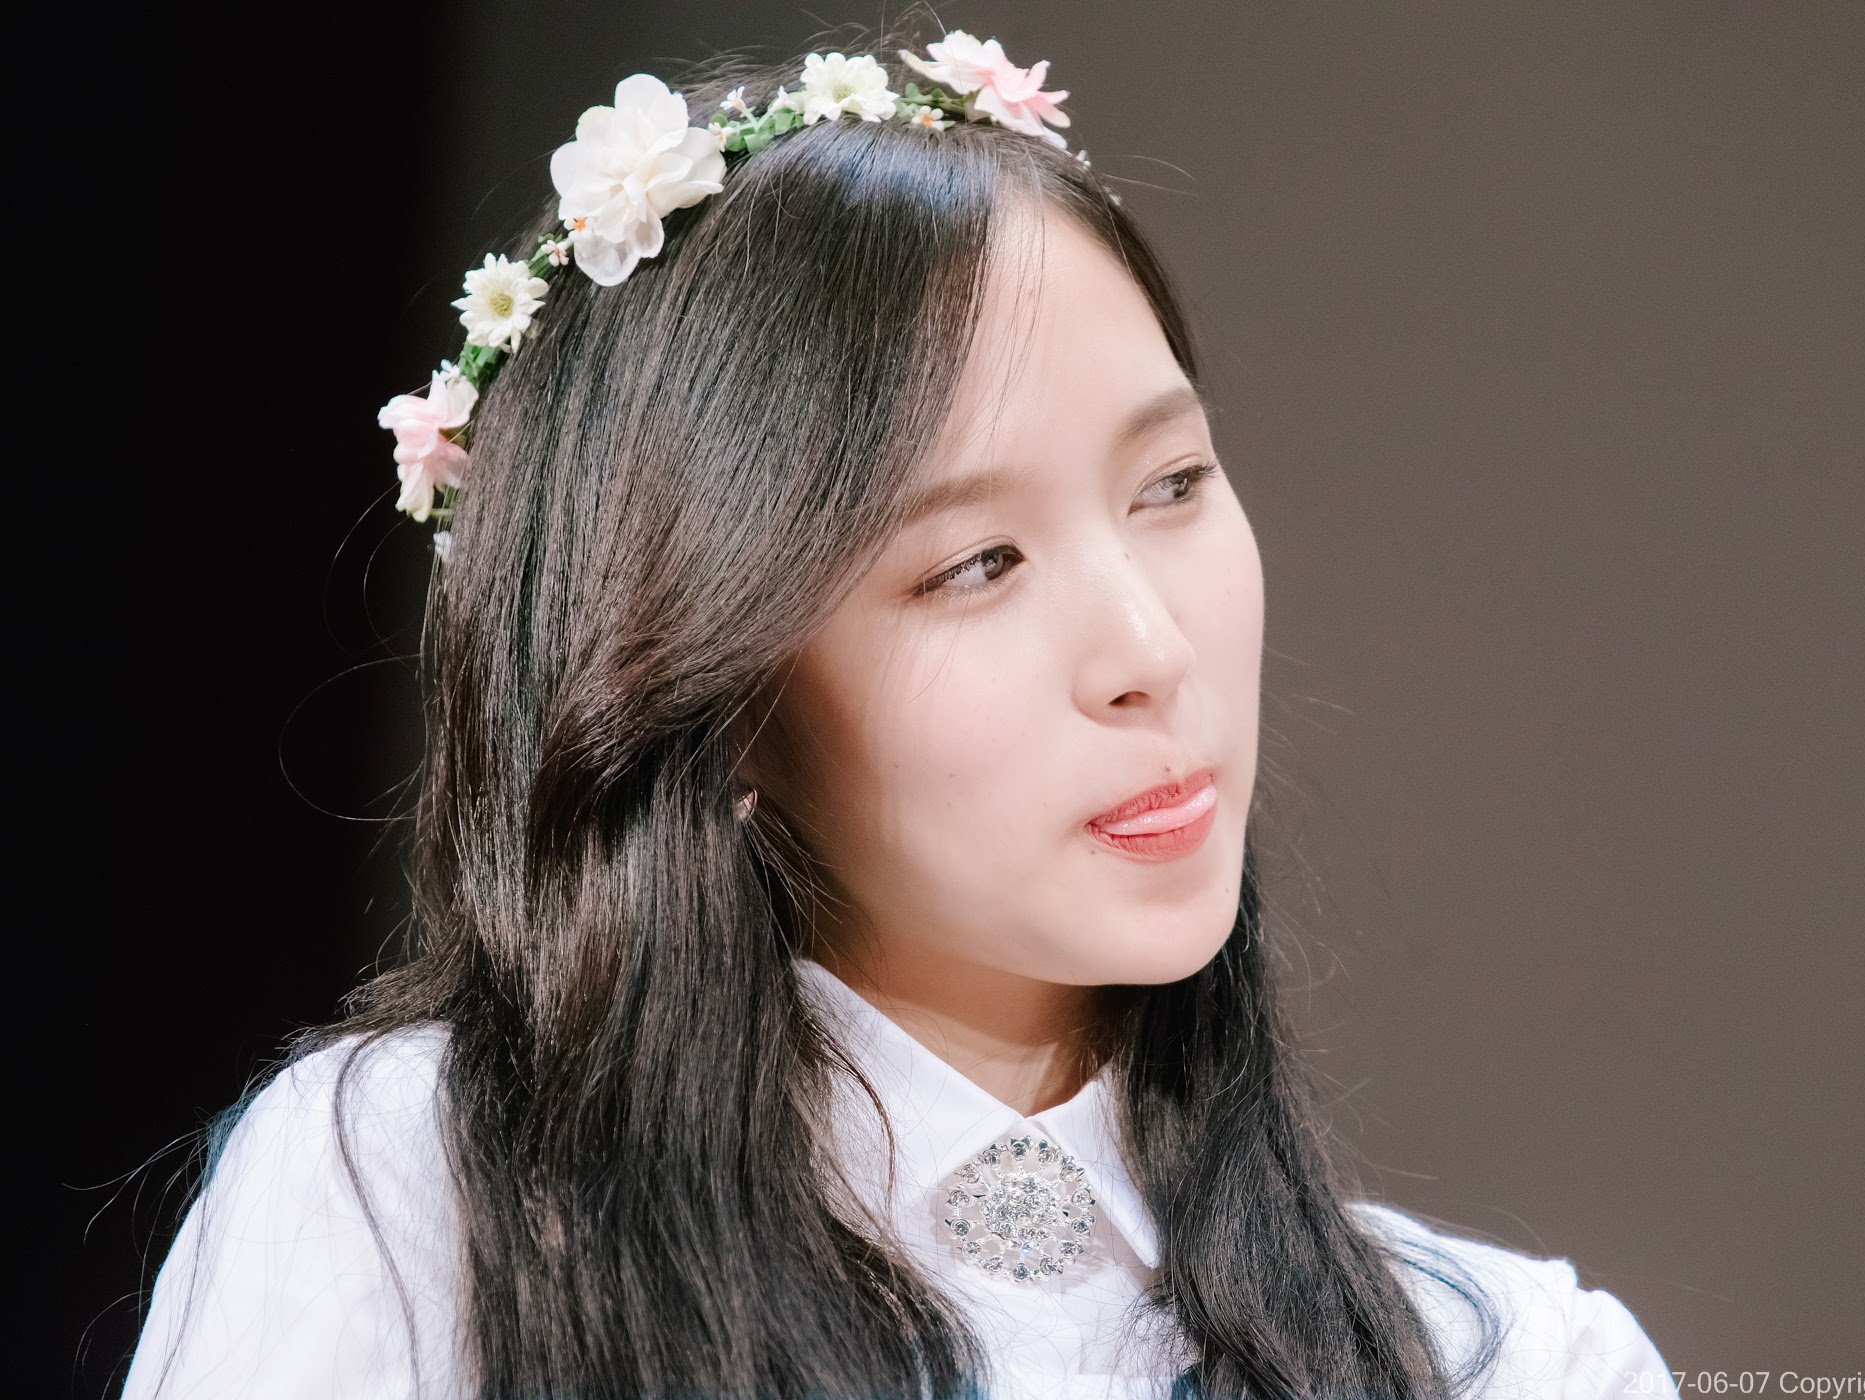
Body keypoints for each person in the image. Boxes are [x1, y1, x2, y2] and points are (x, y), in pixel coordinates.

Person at [124, 26, 1678, 1400]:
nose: (1149, 649)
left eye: (1172, 484)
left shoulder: (1509, 1365)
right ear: (719, 699)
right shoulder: (423, 1201)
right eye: (977, 564)